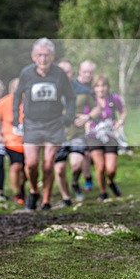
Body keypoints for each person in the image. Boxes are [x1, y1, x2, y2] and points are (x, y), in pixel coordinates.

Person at [13, 38, 75, 211]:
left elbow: (70, 97)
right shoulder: (27, 73)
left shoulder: (59, 74)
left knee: (48, 163)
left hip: (54, 123)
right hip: (32, 123)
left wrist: (68, 116)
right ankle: (34, 191)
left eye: (46, 55)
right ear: (33, 56)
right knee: (31, 163)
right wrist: (16, 117)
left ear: (52, 56)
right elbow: (17, 96)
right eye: (39, 55)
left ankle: (46, 200)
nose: (43, 59)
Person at [53, 60, 94, 206]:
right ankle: (65, 198)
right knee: (59, 169)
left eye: (67, 72)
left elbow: (96, 107)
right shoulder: (50, 89)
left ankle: (75, 182)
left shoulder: (83, 90)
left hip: (76, 133)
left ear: (72, 73)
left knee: (76, 164)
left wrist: (87, 117)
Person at [86, 74, 126, 201]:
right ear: (94, 88)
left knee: (111, 168)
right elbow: (86, 116)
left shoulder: (113, 98)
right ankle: (103, 192)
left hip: (110, 136)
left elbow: (123, 111)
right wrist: (86, 126)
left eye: (103, 86)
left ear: (107, 87)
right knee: (100, 167)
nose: (101, 89)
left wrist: (120, 122)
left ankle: (110, 181)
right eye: (97, 86)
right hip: (94, 136)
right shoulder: (90, 100)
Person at [0, 78, 27, 205]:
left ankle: (22, 189)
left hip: (28, 142)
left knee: (26, 169)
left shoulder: (29, 102)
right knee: (16, 166)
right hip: (11, 141)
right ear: (11, 90)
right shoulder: (3, 103)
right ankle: (17, 193)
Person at [75, 60, 97, 191]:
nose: (88, 75)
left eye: (90, 72)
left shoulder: (95, 86)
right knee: (85, 154)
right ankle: (86, 178)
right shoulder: (73, 86)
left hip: (94, 122)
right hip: (76, 125)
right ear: (79, 71)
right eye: (85, 72)